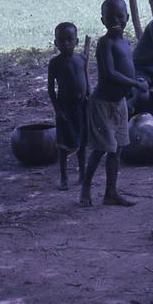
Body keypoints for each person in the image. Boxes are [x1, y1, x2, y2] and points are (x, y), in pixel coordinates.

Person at [81, 0, 148, 207]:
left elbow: (129, 69)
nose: (116, 21)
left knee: (117, 149)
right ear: (103, 20)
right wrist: (135, 85)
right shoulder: (105, 43)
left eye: (120, 16)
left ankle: (111, 193)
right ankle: (85, 187)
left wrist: (134, 89)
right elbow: (109, 73)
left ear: (127, 17)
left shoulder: (126, 42)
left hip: (119, 104)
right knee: (102, 149)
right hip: (102, 104)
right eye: (110, 18)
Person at [48, 22, 88, 190]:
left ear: (76, 41)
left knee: (83, 142)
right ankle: (64, 177)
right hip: (65, 107)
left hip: (82, 106)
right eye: (61, 40)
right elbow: (51, 88)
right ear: (56, 43)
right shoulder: (55, 63)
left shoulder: (81, 59)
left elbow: (86, 80)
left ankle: (82, 174)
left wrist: (90, 98)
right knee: (64, 144)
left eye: (69, 40)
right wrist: (57, 110)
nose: (66, 44)